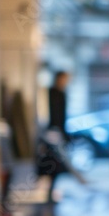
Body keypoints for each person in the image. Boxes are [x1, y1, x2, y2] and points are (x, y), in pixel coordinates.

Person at [43, 70, 70, 203]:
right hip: (53, 133)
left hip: (58, 133)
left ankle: (51, 190)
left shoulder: (61, 93)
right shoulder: (52, 93)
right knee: (53, 163)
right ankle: (49, 191)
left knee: (57, 164)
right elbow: (55, 116)